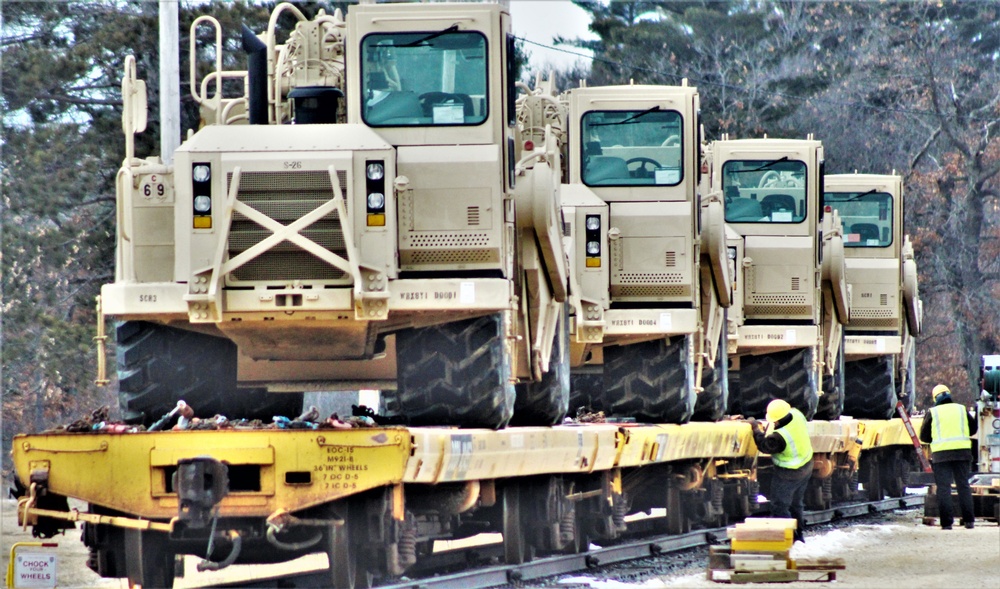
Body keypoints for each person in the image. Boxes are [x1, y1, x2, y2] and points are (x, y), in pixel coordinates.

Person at [748, 399, 814, 543]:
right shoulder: (797, 414)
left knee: (779, 505)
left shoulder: (780, 437)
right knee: (796, 504)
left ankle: (791, 539)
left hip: (790, 472)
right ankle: (799, 536)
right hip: (807, 464)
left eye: (774, 421)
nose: (774, 423)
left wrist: (755, 428)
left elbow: (764, 445)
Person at [918, 384, 977, 530]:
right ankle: (969, 521)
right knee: (963, 486)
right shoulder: (961, 409)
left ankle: (946, 523)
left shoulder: (933, 412)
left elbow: (924, 436)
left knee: (944, 488)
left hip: (941, 455)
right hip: (962, 453)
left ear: (935, 398)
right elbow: (974, 428)